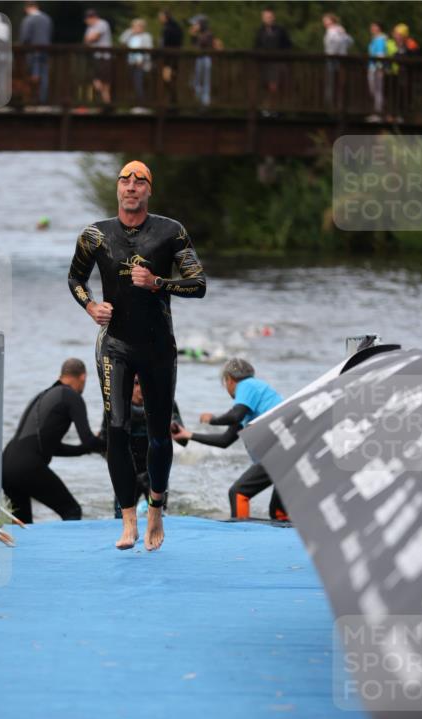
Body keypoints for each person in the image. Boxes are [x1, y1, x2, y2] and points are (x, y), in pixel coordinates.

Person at [67, 160, 206, 551]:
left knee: (160, 437)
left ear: (149, 190)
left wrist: (158, 282)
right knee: (116, 430)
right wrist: (91, 307)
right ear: (117, 189)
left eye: (139, 181)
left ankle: (156, 511)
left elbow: (198, 285)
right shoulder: (95, 235)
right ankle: (128, 519)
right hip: (115, 345)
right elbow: (75, 278)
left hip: (159, 346)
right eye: (125, 180)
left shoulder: (170, 231)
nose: (131, 186)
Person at [172, 358, 288, 522]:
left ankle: (242, 534)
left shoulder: (247, 385)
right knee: (278, 513)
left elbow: (234, 415)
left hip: (280, 451)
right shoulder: (253, 404)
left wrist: (212, 419)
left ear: (229, 380)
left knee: (238, 492)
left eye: (225, 383)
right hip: (291, 451)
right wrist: (188, 435)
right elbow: (225, 440)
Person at [2, 358, 103, 524]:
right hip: (27, 466)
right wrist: (105, 444)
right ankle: (70, 550)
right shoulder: (71, 396)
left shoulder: (44, 395)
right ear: (83, 377)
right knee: (72, 510)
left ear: (61, 375)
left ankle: (26, 550)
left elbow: (53, 448)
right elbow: (88, 439)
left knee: (23, 524)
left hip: (6, 465)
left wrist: (85, 450)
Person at [98, 375, 185, 517]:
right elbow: (103, 442)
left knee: (160, 517)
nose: (140, 389)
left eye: (144, 383)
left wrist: (172, 427)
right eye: (136, 384)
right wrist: (117, 466)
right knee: (119, 518)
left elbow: (183, 440)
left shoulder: (164, 402)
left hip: (154, 474)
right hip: (127, 473)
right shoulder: (118, 406)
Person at [254, 7, 291, 111]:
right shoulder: (260, 31)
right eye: (265, 17)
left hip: (277, 62)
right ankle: (266, 108)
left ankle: (275, 109)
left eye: (269, 17)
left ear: (273, 17)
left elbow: (287, 45)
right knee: (265, 86)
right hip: (264, 63)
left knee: (274, 87)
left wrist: (283, 57)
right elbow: (256, 46)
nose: (267, 19)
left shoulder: (280, 30)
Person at [19, 2, 53, 105]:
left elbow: (25, 38)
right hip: (45, 50)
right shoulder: (47, 19)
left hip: (33, 51)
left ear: (27, 8)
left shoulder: (28, 20)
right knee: (44, 76)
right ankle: (43, 99)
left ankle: (34, 100)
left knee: (34, 75)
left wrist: (22, 46)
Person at [119, 17, 152, 109]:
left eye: (138, 26)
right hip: (130, 62)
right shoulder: (131, 35)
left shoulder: (146, 36)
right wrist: (130, 31)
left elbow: (148, 50)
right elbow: (122, 40)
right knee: (130, 83)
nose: (136, 28)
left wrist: (142, 60)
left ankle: (141, 104)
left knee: (139, 83)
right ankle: (131, 104)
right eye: (134, 26)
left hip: (141, 64)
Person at [322, 13, 353, 108]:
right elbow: (350, 41)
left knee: (331, 82)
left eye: (326, 20)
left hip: (333, 59)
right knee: (338, 83)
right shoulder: (339, 30)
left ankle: (330, 104)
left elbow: (337, 43)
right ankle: (336, 104)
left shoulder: (333, 31)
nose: (324, 23)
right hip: (340, 59)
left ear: (331, 21)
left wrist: (332, 53)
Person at [189, 14, 221, 108]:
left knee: (205, 82)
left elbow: (201, 45)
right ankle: (201, 102)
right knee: (195, 82)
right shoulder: (202, 34)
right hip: (199, 59)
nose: (194, 26)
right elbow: (195, 46)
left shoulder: (208, 34)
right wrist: (194, 36)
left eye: (196, 24)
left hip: (205, 59)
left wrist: (194, 35)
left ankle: (205, 103)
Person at [83, 7, 113, 106]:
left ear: (94, 17)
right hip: (95, 57)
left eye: (88, 18)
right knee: (97, 81)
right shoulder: (90, 28)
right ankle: (104, 103)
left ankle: (106, 104)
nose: (87, 21)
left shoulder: (102, 24)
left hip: (104, 57)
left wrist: (90, 38)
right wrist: (89, 39)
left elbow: (93, 38)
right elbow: (86, 40)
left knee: (105, 82)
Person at [158, 9, 183, 103]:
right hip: (174, 58)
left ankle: (171, 103)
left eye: (160, 17)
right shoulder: (177, 27)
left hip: (168, 59)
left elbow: (165, 44)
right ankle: (172, 102)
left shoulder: (168, 29)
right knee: (170, 80)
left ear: (165, 17)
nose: (159, 19)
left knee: (168, 80)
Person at [366, 21, 388, 121]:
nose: (372, 29)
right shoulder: (375, 39)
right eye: (371, 27)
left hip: (376, 68)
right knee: (374, 90)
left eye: (374, 27)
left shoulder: (380, 39)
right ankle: (378, 111)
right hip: (372, 67)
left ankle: (378, 113)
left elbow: (380, 54)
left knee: (377, 90)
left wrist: (380, 68)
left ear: (379, 28)